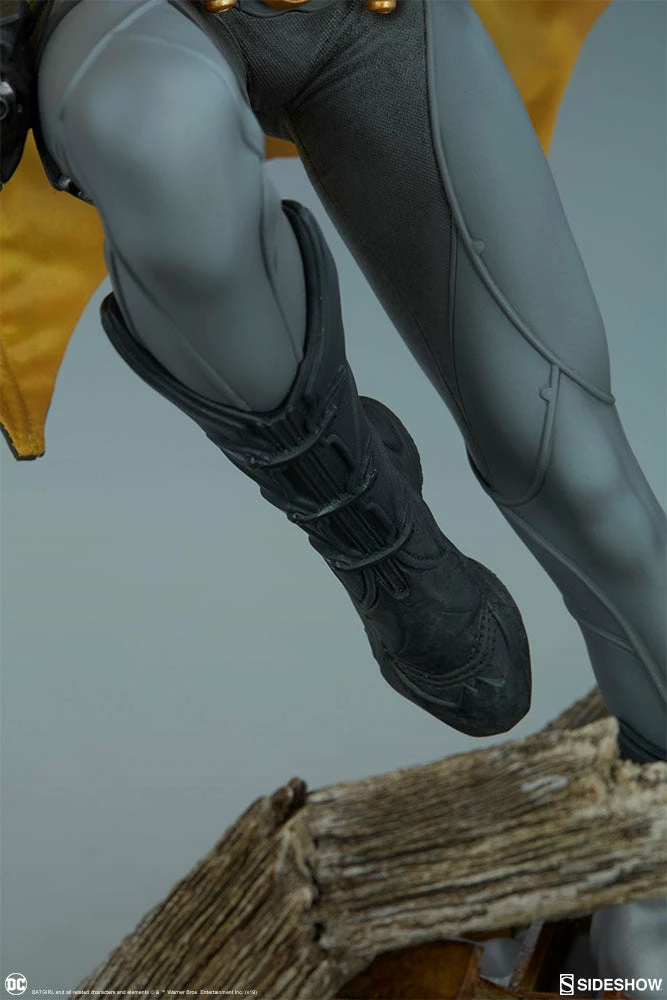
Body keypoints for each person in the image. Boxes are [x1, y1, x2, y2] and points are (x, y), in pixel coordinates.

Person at [13, 0, 667, 987]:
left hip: (370, 16)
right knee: (157, 127)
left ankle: (652, 850)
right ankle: (361, 511)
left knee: (571, 462)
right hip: (111, 20)